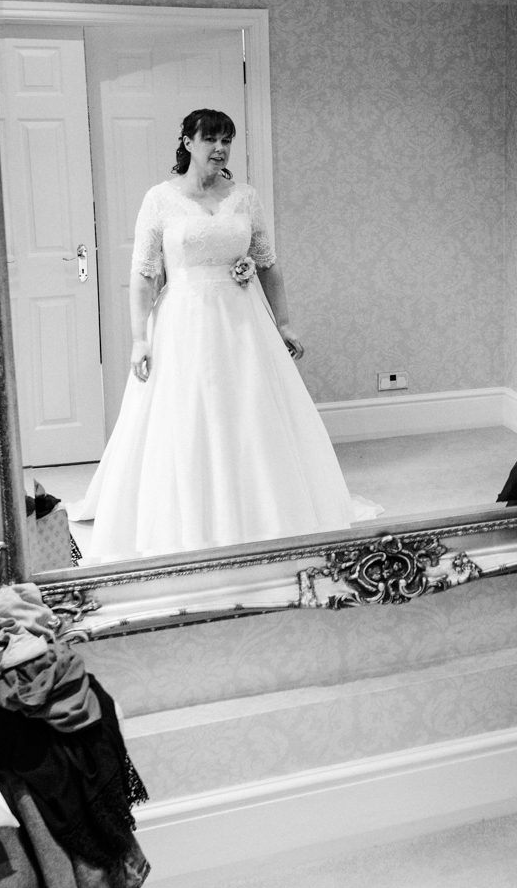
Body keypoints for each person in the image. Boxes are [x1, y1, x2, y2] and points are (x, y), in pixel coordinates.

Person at [77, 109, 365, 560]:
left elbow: (268, 264)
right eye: (210, 139)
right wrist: (140, 339)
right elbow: (144, 274)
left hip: (243, 324)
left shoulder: (245, 197)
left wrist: (283, 322)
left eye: (227, 140)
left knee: (250, 412)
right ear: (187, 142)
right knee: (189, 416)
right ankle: (193, 519)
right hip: (184, 324)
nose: (220, 148)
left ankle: (263, 513)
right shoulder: (159, 199)